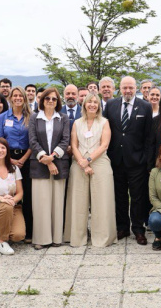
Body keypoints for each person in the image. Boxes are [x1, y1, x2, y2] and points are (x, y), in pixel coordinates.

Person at [104, 76, 154, 245]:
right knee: (119, 196)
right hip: (116, 160)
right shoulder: (110, 105)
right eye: (124, 87)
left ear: (136, 89)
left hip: (137, 161)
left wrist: (147, 161)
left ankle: (138, 229)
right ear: (119, 88)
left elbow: (149, 137)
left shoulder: (145, 107)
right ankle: (122, 227)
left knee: (137, 197)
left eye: (131, 88)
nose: (127, 91)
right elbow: (105, 131)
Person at [64, 92, 117, 247]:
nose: (92, 104)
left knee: (101, 201)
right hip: (78, 163)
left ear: (99, 105)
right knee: (78, 202)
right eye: (89, 102)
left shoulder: (104, 122)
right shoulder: (77, 123)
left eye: (95, 102)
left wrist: (88, 161)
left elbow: (104, 145)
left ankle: (102, 237)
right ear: (84, 104)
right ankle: (77, 237)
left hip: (99, 163)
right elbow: (73, 145)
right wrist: (81, 161)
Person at [28, 88, 71, 249]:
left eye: (54, 99)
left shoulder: (63, 118)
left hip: (59, 164)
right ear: (42, 101)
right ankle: (41, 238)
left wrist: (52, 157)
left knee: (57, 202)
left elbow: (65, 140)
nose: (51, 101)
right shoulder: (34, 118)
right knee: (41, 203)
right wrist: (46, 160)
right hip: (39, 164)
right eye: (47, 99)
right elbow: (32, 140)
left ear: (58, 101)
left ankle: (56, 238)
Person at [0, 87, 33, 241]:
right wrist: (10, 160)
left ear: (24, 98)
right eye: (15, 96)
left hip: (27, 160)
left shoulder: (31, 117)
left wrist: (23, 159)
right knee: (9, 194)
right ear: (10, 98)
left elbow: (35, 141)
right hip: (8, 160)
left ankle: (29, 231)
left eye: (20, 96)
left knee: (28, 196)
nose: (18, 98)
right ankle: (10, 228)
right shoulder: (3, 117)